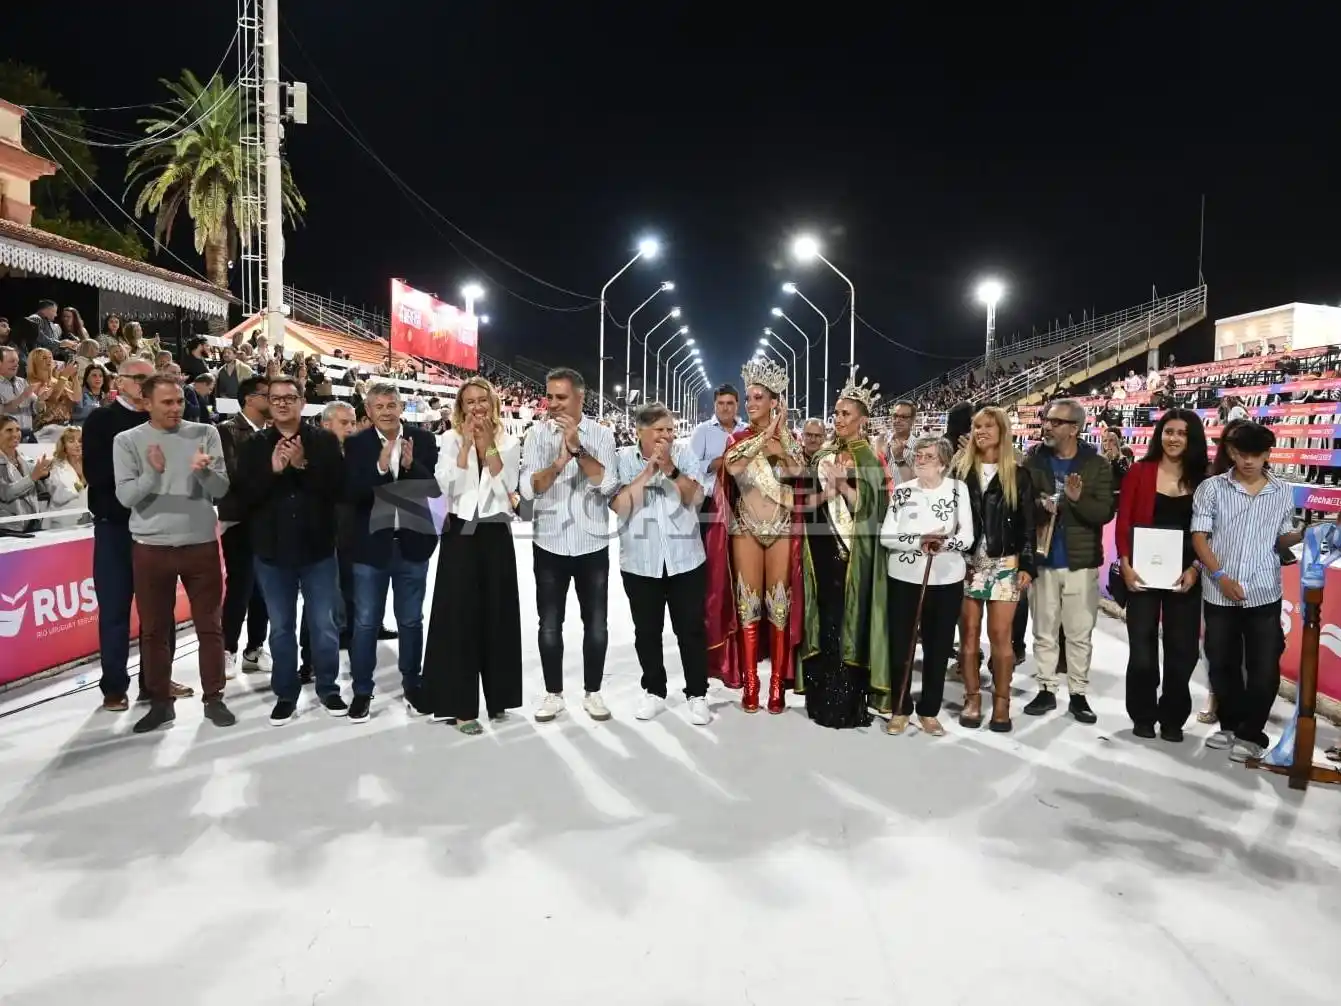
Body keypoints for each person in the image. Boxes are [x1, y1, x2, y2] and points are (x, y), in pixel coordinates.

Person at [112, 374, 234, 733]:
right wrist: (153, 473)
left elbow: (221, 489)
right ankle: (160, 703)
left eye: (179, 401)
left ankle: (214, 698)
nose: (176, 408)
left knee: (210, 627)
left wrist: (206, 473)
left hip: (201, 545)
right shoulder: (127, 441)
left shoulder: (205, 433)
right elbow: (125, 497)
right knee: (154, 631)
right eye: (167, 402)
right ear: (146, 403)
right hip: (151, 548)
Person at [238, 375, 348, 725]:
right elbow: (245, 498)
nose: (283, 403)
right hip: (272, 553)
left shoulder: (324, 442)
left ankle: (328, 689)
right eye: (276, 398)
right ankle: (285, 694)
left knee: (324, 626)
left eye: (289, 397)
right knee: (281, 628)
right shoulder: (254, 445)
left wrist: (302, 466)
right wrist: (272, 472)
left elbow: (338, 490)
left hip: (318, 550)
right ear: (269, 404)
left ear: (302, 402)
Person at [82, 358, 191, 709]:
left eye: (152, 378)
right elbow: (99, 474)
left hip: (158, 528)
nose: (147, 385)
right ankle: (114, 687)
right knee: (115, 609)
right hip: (116, 528)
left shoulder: (164, 422)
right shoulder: (101, 420)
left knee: (160, 611)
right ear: (121, 381)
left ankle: (156, 680)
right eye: (140, 378)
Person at [1192, 421, 1303, 762]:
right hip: (1219, 592)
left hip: (1264, 593)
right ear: (1230, 451)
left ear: (1268, 454)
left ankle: (1251, 733)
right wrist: (1220, 576)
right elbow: (1199, 537)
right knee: (1221, 662)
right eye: (1242, 454)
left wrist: (1304, 533)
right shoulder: (1211, 488)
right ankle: (1229, 725)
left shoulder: (1282, 491)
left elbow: (1281, 537)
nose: (1249, 461)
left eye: (1257, 454)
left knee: (1264, 667)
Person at [704, 357, 805, 713]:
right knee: (748, 604)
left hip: (781, 528)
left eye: (758, 397)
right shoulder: (738, 438)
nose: (750, 404)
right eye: (748, 398)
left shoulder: (790, 440)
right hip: (745, 527)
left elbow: (798, 472)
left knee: (778, 605)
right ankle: (751, 681)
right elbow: (733, 467)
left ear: (775, 401)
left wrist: (781, 438)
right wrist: (767, 434)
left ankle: (776, 684)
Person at [423, 378, 523, 734]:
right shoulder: (450, 439)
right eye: (470, 402)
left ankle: (499, 698)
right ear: (461, 407)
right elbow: (445, 486)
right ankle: (460, 706)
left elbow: (507, 485)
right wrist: (466, 446)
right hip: (460, 534)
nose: (477, 407)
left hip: (495, 531)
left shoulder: (508, 440)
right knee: (459, 617)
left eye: (482, 400)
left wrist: (487, 446)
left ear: (492, 403)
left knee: (498, 613)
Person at [518, 368, 619, 722]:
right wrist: (560, 461)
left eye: (561, 397)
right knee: (549, 624)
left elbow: (609, 486)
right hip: (549, 544)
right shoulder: (536, 436)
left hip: (592, 545)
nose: (554, 404)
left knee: (596, 624)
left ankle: (593, 692)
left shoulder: (602, 435)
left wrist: (578, 450)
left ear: (580, 397)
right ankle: (553, 693)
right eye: (550, 397)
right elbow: (529, 490)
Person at [796, 375, 891, 728]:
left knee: (846, 620)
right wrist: (827, 490)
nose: (838, 419)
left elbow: (875, 511)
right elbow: (805, 502)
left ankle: (845, 702)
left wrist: (844, 487)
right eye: (836, 413)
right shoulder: (822, 455)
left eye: (846, 413)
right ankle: (821, 697)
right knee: (824, 618)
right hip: (820, 548)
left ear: (862, 419)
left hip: (853, 555)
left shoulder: (870, 459)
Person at [344, 382, 442, 718]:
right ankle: (362, 690)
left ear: (401, 407)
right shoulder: (356, 444)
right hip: (370, 548)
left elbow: (433, 490)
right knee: (366, 622)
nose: (386, 411)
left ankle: (412, 684)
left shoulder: (423, 440)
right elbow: (353, 495)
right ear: (369, 411)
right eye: (379, 406)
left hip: (412, 546)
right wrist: (381, 470)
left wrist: (412, 466)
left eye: (391, 405)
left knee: (411, 620)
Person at [611, 401, 711, 725]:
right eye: (659, 430)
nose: (667, 436)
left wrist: (669, 468)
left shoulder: (684, 455)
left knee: (691, 630)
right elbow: (621, 506)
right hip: (640, 563)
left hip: (686, 560)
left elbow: (696, 498)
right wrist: (648, 471)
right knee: (647, 632)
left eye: (670, 429)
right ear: (640, 431)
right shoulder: (623, 459)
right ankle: (654, 690)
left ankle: (697, 693)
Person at [1117, 408, 1209, 741]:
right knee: (1142, 651)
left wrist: (1196, 568)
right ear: (1160, 435)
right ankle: (1142, 714)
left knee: (1182, 651)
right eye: (1169, 431)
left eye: (1182, 433)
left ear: (1192, 438)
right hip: (1142, 572)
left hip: (1185, 575)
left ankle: (1173, 717)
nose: (1174, 438)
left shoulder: (1205, 479)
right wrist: (1125, 563)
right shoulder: (1140, 472)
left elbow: (1212, 531)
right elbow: (1124, 521)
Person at [1024, 398, 1114, 724]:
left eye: (1055, 422)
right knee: (1043, 630)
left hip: (1080, 561)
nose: (1047, 426)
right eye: (1046, 420)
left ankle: (1078, 694)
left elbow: (1104, 512)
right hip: (1043, 559)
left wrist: (1076, 500)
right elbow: (1021, 504)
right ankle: (1046, 688)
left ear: (1074, 428)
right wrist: (1039, 505)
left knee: (1079, 633)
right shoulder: (1034, 460)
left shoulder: (1096, 464)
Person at [881, 435, 974, 735]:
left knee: (939, 646)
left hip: (946, 579)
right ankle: (900, 708)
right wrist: (918, 541)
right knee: (901, 645)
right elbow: (887, 536)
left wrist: (943, 543)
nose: (920, 460)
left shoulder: (959, 490)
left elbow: (968, 536)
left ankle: (929, 710)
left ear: (943, 463)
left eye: (928, 456)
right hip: (904, 578)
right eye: (918, 455)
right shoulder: (903, 491)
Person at [954, 406, 1037, 731]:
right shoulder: (960, 472)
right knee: (969, 634)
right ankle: (972, 698)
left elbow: (1028, 526)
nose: (981, 431)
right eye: (977, 426)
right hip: (967, 563)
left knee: (1001, 636)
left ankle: (1002, 703)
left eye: (989, 426)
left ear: (1002, 431)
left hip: (1006, 563)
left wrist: (1027, 564)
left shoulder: (1019, 475)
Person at [217, 375, 271, 678]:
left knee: (264, 589)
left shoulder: (272, 432)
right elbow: (232, 475)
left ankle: (255, 648)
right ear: (250, 399)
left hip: (267, 521)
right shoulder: (226, 431)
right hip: (239, 520)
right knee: (240, 586)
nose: (273, 401)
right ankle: (228, 649)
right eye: (267, 395)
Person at [687, 384, 745, 536]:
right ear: (715, 405)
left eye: (730, 403)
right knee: (710, 546)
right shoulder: (702, 430)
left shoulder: (746, 430)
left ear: (737, 405)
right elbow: (690, 466)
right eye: (721, 403)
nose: (725, 408)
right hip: (710, 501)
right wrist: (714, 464)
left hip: (742, 501)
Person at [0, 415, 50, 529]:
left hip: (33, 524)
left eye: (18, 429)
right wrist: (33, 477)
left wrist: (45, 474)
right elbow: (5, 493)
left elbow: (40, 488)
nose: (15, 434)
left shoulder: (24, 460)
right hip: (8, 529)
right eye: (9, 430)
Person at [44, 425, 87, 528]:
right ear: (64, 445)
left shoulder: (91, 464)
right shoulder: (55, 466)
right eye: (71, 441)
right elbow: (59, 496)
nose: (77, 444)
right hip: (63, 521)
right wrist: (81, 483)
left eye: (80, 441)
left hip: (87, 521)